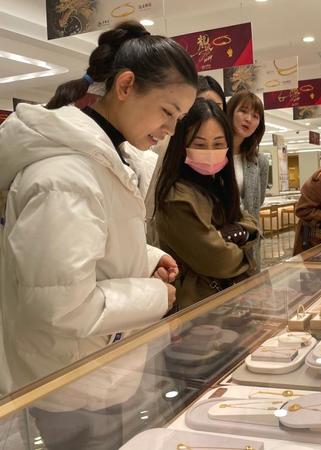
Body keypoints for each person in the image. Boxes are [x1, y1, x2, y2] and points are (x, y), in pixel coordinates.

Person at [0, 21, 198, 449]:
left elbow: (90, 247)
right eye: (167, 111)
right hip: (71, 381)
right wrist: (156, 296)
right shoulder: (65, 176)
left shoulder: (107, 161)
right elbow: (61, 305)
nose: (170, 129)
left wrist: (146, 257)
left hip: (95, 368)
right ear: (126, 85)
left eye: (179, 119)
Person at [154, 99, 259, 308]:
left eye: (218, 144)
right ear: (182, 145)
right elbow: (219, 260)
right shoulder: (177, 197)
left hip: (228, 301)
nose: (210, 152)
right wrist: (245, 247)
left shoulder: (217, 184)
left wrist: (229, 234)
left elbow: (251, 222)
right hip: (197, 306)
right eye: (200, 145)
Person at [146, 76, 228, 245]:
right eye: (199, 105)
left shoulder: (225, 148)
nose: (208, 111)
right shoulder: (166, 144)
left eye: (216, 106)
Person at [227, 91, 268, 270]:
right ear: (230, 112)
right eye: (243, 111)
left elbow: (257, 201)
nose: (248, 119)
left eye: (255, 116)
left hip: (248, 238)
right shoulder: (215, 153)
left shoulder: (259, 161)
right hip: (219, 238)